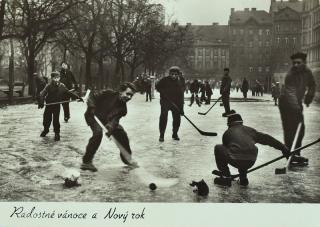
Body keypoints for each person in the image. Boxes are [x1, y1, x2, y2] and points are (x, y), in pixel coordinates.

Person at [213, 113, 290, 187]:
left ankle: (226, 177)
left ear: (228, 124)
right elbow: (268, 139)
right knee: (244, 148)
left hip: (236, 159)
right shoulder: (250, 130)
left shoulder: (227, 133)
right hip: (251, 160)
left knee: (219, 148)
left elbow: (226, 153)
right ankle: (243, 177)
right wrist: (283, 148)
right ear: (241, 122)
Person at [81, 82, 137, 172]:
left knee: (122, 134)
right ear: (121, 91)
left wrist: (110, 127)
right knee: (98, 133)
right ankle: (86, 162)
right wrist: (91, 107)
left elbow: (115, 120)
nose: (129, 97)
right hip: (93, 116)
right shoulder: (108, 93)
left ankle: (127, 159)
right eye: (128, 94)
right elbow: (92, 96)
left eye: (131, 96)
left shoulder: (123, 109)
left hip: (106, 120)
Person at [278, 52, 316, 165]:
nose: (295, 65)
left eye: (298, 63)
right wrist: (298, 110)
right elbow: (290, 94)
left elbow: (312, 85)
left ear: (304, 63)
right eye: (294, 63)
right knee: (290, 130)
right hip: (285, 103)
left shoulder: (308, 72)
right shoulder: (290, 75)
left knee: (300, 129)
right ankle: (290, 154)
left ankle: (296, 154)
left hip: (296, 102)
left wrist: (309, 97)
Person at [38, 72, 83, 141]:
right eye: (55, 78)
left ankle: (57, 133)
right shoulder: (48, 86)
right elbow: (42, 94)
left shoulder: (62, 86)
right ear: (52, 78)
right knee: (46, 119)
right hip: (49, 105)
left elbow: (68, 93)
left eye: (58, 78)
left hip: (57, 105)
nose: (56, 79)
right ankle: (46, 130)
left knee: (56, 120)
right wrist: (41, 101)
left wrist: (78, 97)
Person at [155, 66, 184, 142]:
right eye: (172, 74)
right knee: (163, 117)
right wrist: (163, 92)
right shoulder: (164, 80)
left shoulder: (180, 81)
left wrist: (181, 108)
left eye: (175, 74)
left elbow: (181, 96)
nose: (174, 76)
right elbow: (157, 87)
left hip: (176, 103)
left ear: (178, 74)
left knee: (177, 119)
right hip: (165, 102)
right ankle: (162, 134)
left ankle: (175, 133)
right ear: (169, 74)